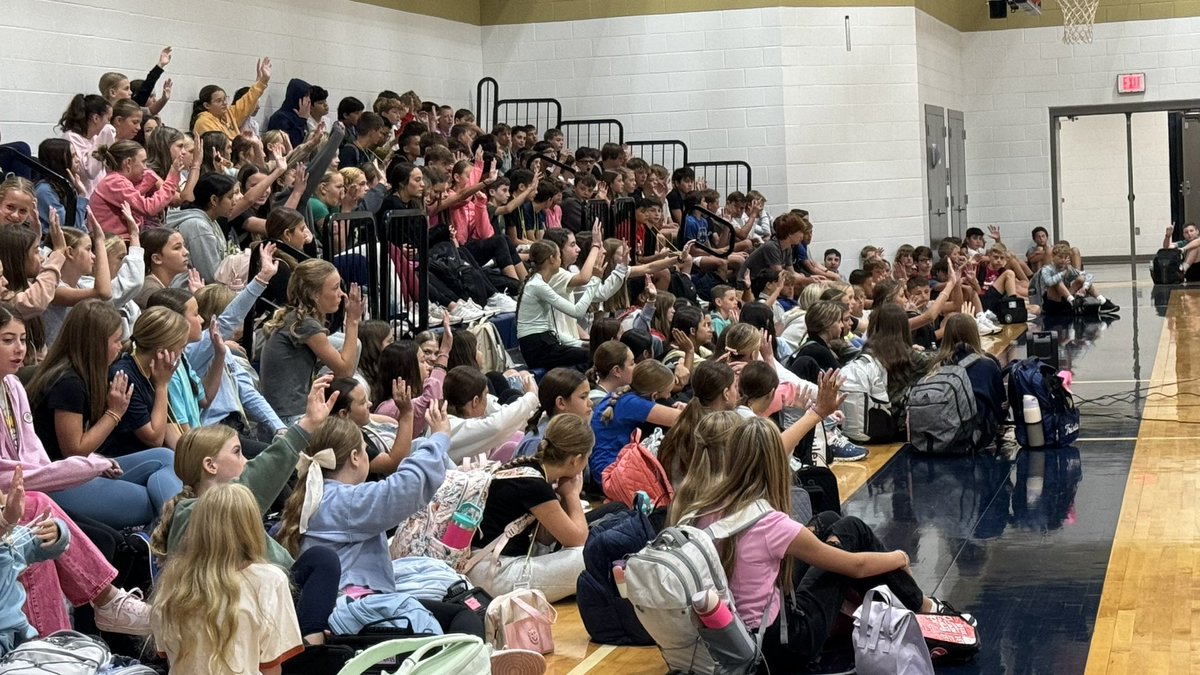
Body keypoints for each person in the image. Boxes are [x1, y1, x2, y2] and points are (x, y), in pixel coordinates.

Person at [669, 415, 967, 671]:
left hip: (730, 633)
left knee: (827, 520)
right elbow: (857, 566)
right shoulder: (769, 522)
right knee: (851, 532)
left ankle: (901, 607)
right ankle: (925, 609)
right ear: (778, 465)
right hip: (787, 642)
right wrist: (901, 557)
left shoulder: (698, 506)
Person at [150, 377, 341, 649]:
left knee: (320, 560)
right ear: (210, 466)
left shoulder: (218, 503)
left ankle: (309, 641)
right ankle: (306, 650)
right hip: (225, 613)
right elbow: (256, 478)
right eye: (238, 452)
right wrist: (306, 426)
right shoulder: (195, 512)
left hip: (258, 600)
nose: (246, 460)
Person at [21, 301, 180, 529]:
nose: (121, 346)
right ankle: (171, 543)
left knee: (165, 457)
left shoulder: (85, 375)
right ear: (95, 344)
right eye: (116, 340)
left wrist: (99, 461)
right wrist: (114, 413)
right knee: (148, 500)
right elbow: (73, 450)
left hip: (79, 469)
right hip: (55, 481)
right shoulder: (68, 382)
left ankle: (166, 541)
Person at [151, 483, 305, 674]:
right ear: (252, 527)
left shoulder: (172, 578)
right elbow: (271, 667)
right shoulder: (270, 580)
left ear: (197, 526)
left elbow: (167, 655)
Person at [467, 414, 593, 603]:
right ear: (575, 460)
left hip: (488, 565)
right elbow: (578, 540)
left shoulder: (531, 469)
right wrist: (571, 495)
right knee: (588, 557)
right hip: (494, 574)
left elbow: (545, 538)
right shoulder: (533, 484)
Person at [259, 259, 364, 424]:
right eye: (335, 288)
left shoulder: (294, 317)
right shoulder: (304, 324)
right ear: (315, 295)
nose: (342, 294)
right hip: (288, 419)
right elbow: (345, 371)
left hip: (282, 413)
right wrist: (352, 320)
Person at [516, 240, 602, 370]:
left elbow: (551, 331)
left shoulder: (540, 282)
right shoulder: (537, 285)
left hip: (545, 342)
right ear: (551, 259)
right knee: (591, 356)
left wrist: (579, 343)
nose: (560, 260)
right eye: (559, 256)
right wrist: (595, 280)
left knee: (591, 350)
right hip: (537, 348)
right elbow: (577, 312)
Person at [589, 360, 680, 480]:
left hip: (606, 464)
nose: (669, 398)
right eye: (668, 393)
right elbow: (683, 419)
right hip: (609, 471)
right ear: (654, 395)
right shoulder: (632, 403)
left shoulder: (624, 395)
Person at [443, 366, 540, 463]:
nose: (488, 398)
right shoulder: (448, 426)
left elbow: (503, 416)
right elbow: (497, 426)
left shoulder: (475, 411)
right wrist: (531, 397)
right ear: (475, 401)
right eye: (485, 395)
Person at [165, 173, 239, 283]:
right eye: (230, 197)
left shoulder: (210, 221)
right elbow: (212, 275)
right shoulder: (198, 226)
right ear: (214, 200)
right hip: (188, 292)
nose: (235, 201)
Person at [515, 368, 593, 459]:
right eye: (583, 397)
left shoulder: (574, 430)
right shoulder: (537, 443)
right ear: (560, 403)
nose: (590, 403)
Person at [191, 57, 272, 140]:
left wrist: (262, 81)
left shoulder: (229, 113)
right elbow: (220, 145)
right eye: (219, 101)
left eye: (225, 99)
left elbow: (248, 101)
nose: (225, 103)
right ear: (207, 105)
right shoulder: (203, 122)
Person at [1032, 242, 1119, 315]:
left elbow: (1088, 276)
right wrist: (1063, 273)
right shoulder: (1047, 269)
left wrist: (1084, 287)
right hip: (1050, 303)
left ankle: (1103, 301)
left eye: (1065, 258)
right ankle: (1073, 302)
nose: (1063, 260)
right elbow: (1049, 282)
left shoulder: (1068, 268)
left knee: (1081, 279)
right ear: (1053, 257)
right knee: (1057, 281)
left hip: (1065, 301)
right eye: (1060, 257)